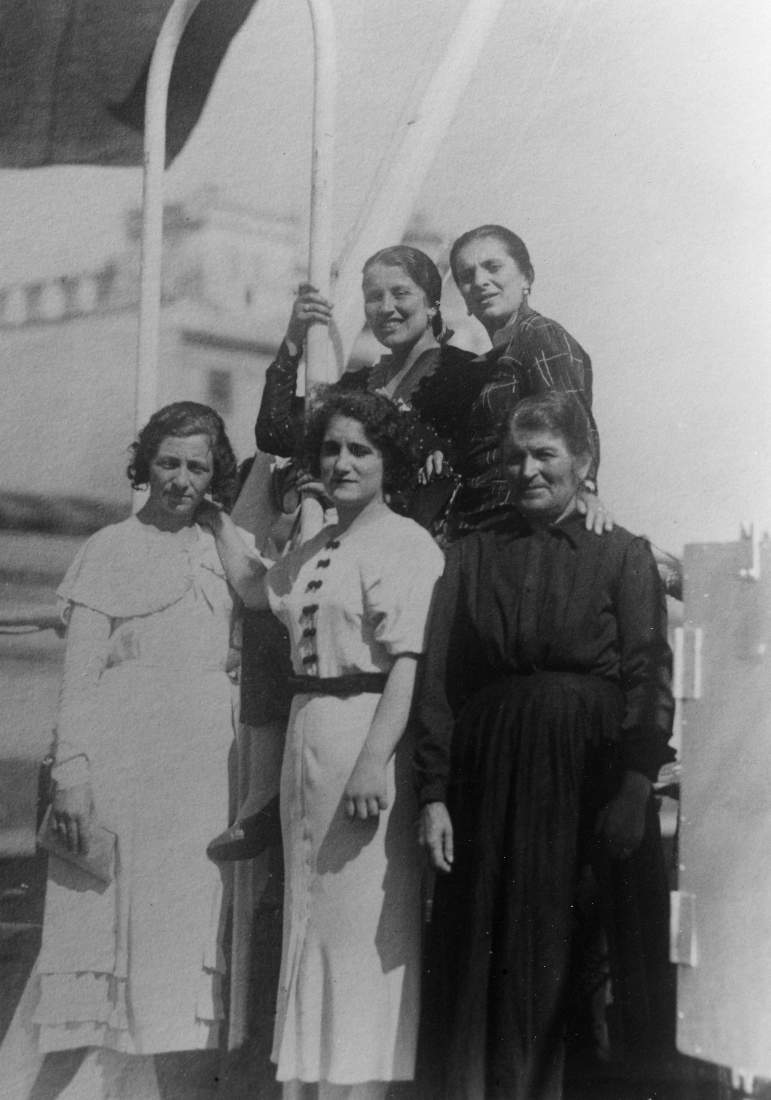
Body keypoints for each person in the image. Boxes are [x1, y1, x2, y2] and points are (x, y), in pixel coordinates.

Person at [415, 392, 675, 1100]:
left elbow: (648, 675)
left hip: (588, 786)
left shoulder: (622, 554)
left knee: (578, 961)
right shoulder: (470, 554)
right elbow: (439, 684)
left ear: (583, 463)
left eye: (545, 455)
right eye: (515, 456)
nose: (527, 470)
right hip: (490, 788)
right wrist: (434, 794)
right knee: (487, 960)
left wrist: (634, 788)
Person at [201, 389, 444, 1100]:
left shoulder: (406, 543)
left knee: (360, 928)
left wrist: (373, 760)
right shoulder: (319, 544)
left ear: (388, 461)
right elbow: (258, 591)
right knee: (309, 918)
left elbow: (408, 663)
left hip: (364, 740)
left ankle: (358, 1088)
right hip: (308, 739)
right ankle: (313, 1086)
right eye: (332, 449)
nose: (342, 463)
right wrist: (218, 520)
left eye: (360, 450)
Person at [22, 403, 242, 1099]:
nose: (181, 480)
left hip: (202, 776)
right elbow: (80, 674)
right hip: (121, 768)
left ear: (214, 474)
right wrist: (72, 777)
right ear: (145, 463)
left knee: (181, 949)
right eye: (168, 462)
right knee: (95, 944)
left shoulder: (223, 548)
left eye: (197, 467)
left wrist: (228, 529)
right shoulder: (109, 547)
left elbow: (264, 610)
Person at [255, 244, 474, 531]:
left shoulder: (467, 375)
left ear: (432, 304)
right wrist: (294, 337)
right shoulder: (358, 386)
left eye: (400, 293)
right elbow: (275, 434)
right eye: (374, 297)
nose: (385, 308)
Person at [421, 222, 603, 537]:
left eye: (493, 267)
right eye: (467, 276)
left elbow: (571, 426)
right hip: (478, 528)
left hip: (518, 527)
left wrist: (586, 488)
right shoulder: (490, 361)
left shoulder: (539, 334)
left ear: (526, 277)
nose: (480, 281)